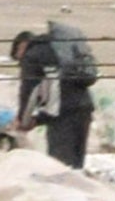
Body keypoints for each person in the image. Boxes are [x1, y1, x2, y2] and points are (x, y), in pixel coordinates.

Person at [15, 12, 97, 169]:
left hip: (63, 116)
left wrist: (23, 121)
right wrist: (38, 120)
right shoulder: (57, 49)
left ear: (21, 46)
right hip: (84, 110)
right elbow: (56, 92)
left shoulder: (32, 56)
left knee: (60, 169)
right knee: (76, 166)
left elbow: (29, 92)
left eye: (17, 57)